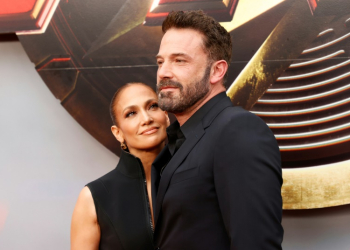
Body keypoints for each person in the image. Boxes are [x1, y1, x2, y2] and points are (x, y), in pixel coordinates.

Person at [152, 10, 284, 250]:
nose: (164, 72)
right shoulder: (179, 139)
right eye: (161, 62)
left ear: (217, 71)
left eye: (179, 60)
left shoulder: (238, 130)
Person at [71, 82, 170, 250]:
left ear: (166, 116)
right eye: (131, 114)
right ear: (118, 133)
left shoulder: (197, 177)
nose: (146, 119)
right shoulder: (94, 197)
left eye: (153, 106)